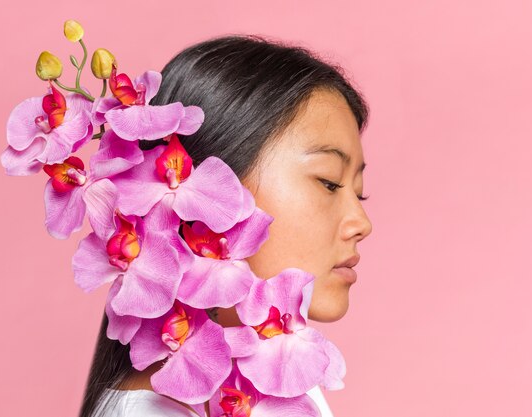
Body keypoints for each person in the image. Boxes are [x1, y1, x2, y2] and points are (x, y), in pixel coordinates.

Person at [80, 34, 373, 417]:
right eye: (329, 182)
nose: (361, 223)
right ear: (215, 187)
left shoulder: (280, 385)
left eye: (359, 193)